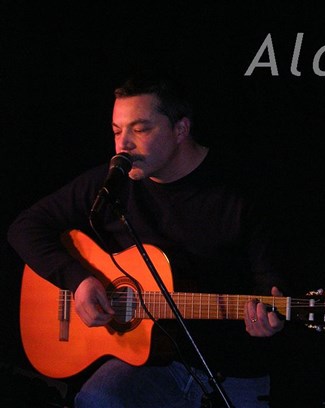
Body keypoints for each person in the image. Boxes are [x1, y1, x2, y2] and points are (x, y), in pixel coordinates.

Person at [7, 73, 286, 407]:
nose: (123, 144)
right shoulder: (113, 183)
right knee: (98, 399)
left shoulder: (241, 193)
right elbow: (24, 228)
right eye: (116, 131)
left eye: (139, 129)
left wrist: (267, 319)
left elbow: (271, 283)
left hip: (231, 366)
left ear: (180, 130)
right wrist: (78, 281)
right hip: (150, 363)